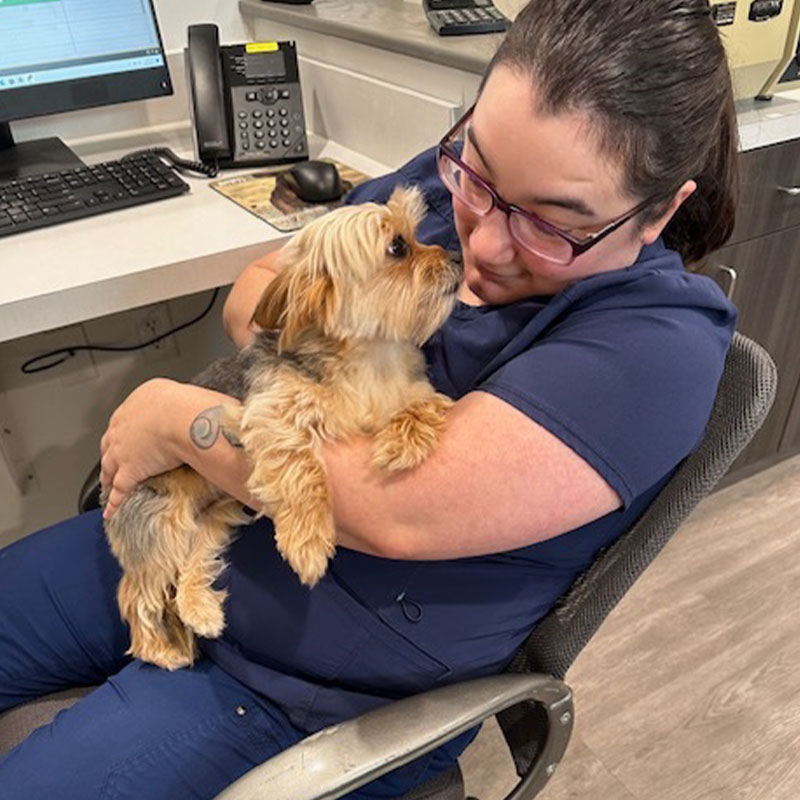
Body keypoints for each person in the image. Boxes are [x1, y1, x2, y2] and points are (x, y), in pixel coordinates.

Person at [0, 1, 738, 797]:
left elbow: (389, 509)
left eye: (552, 226)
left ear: (658, 209)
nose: (483, 243)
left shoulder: (655, 347)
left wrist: (183, 422)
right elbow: (259, 296)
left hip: (298, 679)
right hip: (201, 529)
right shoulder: (449, 181)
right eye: (478, 174)